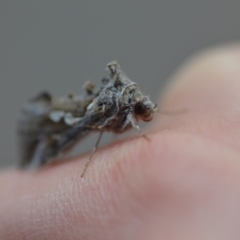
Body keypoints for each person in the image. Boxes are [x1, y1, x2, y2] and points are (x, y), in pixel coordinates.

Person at [1, 45, 240, 239]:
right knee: (78, 125)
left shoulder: (133, 103)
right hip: (61, 125)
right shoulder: (114, 108)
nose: (146, 110)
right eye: (141, 107)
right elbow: (109, 125)